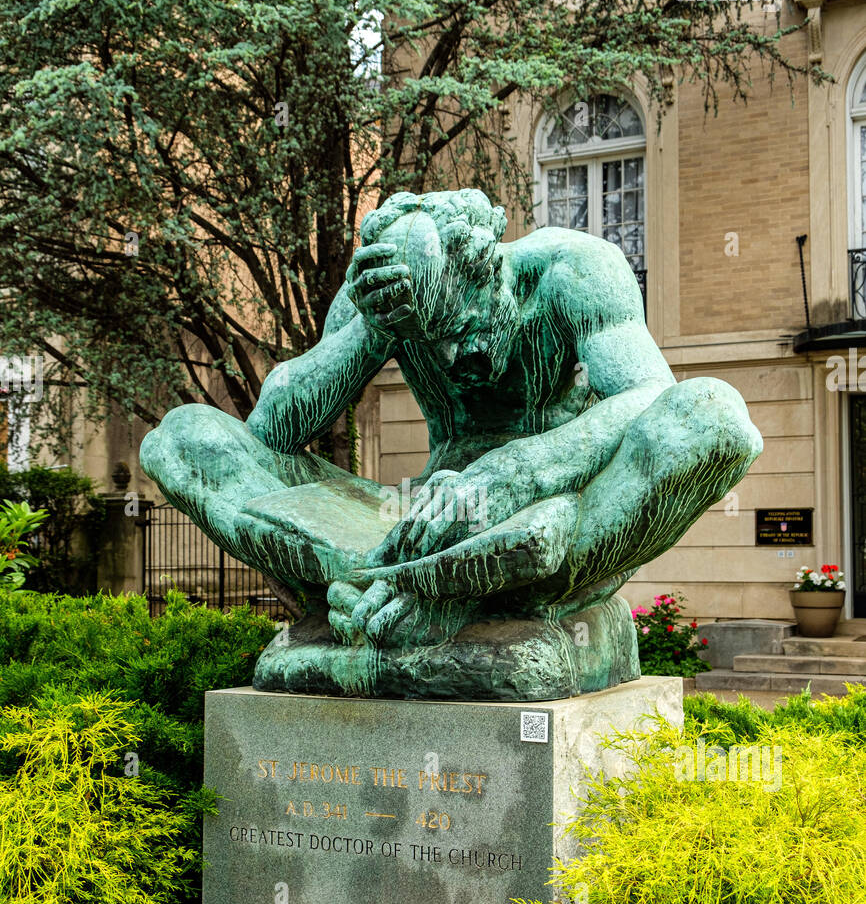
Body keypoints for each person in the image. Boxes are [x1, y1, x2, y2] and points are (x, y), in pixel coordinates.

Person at [140, 188, 761, 697]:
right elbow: (271, 432)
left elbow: (650, 395)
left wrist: (520, 471)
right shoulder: (376, 304)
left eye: (459, 327)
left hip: (551, 517)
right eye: (425, 346)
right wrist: (370, 331)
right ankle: (410, 599)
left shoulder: (574, 270)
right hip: (418, 525)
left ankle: (395, 614)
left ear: (490, 269)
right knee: (186, 438)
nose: (450, 358)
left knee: (710, 415)